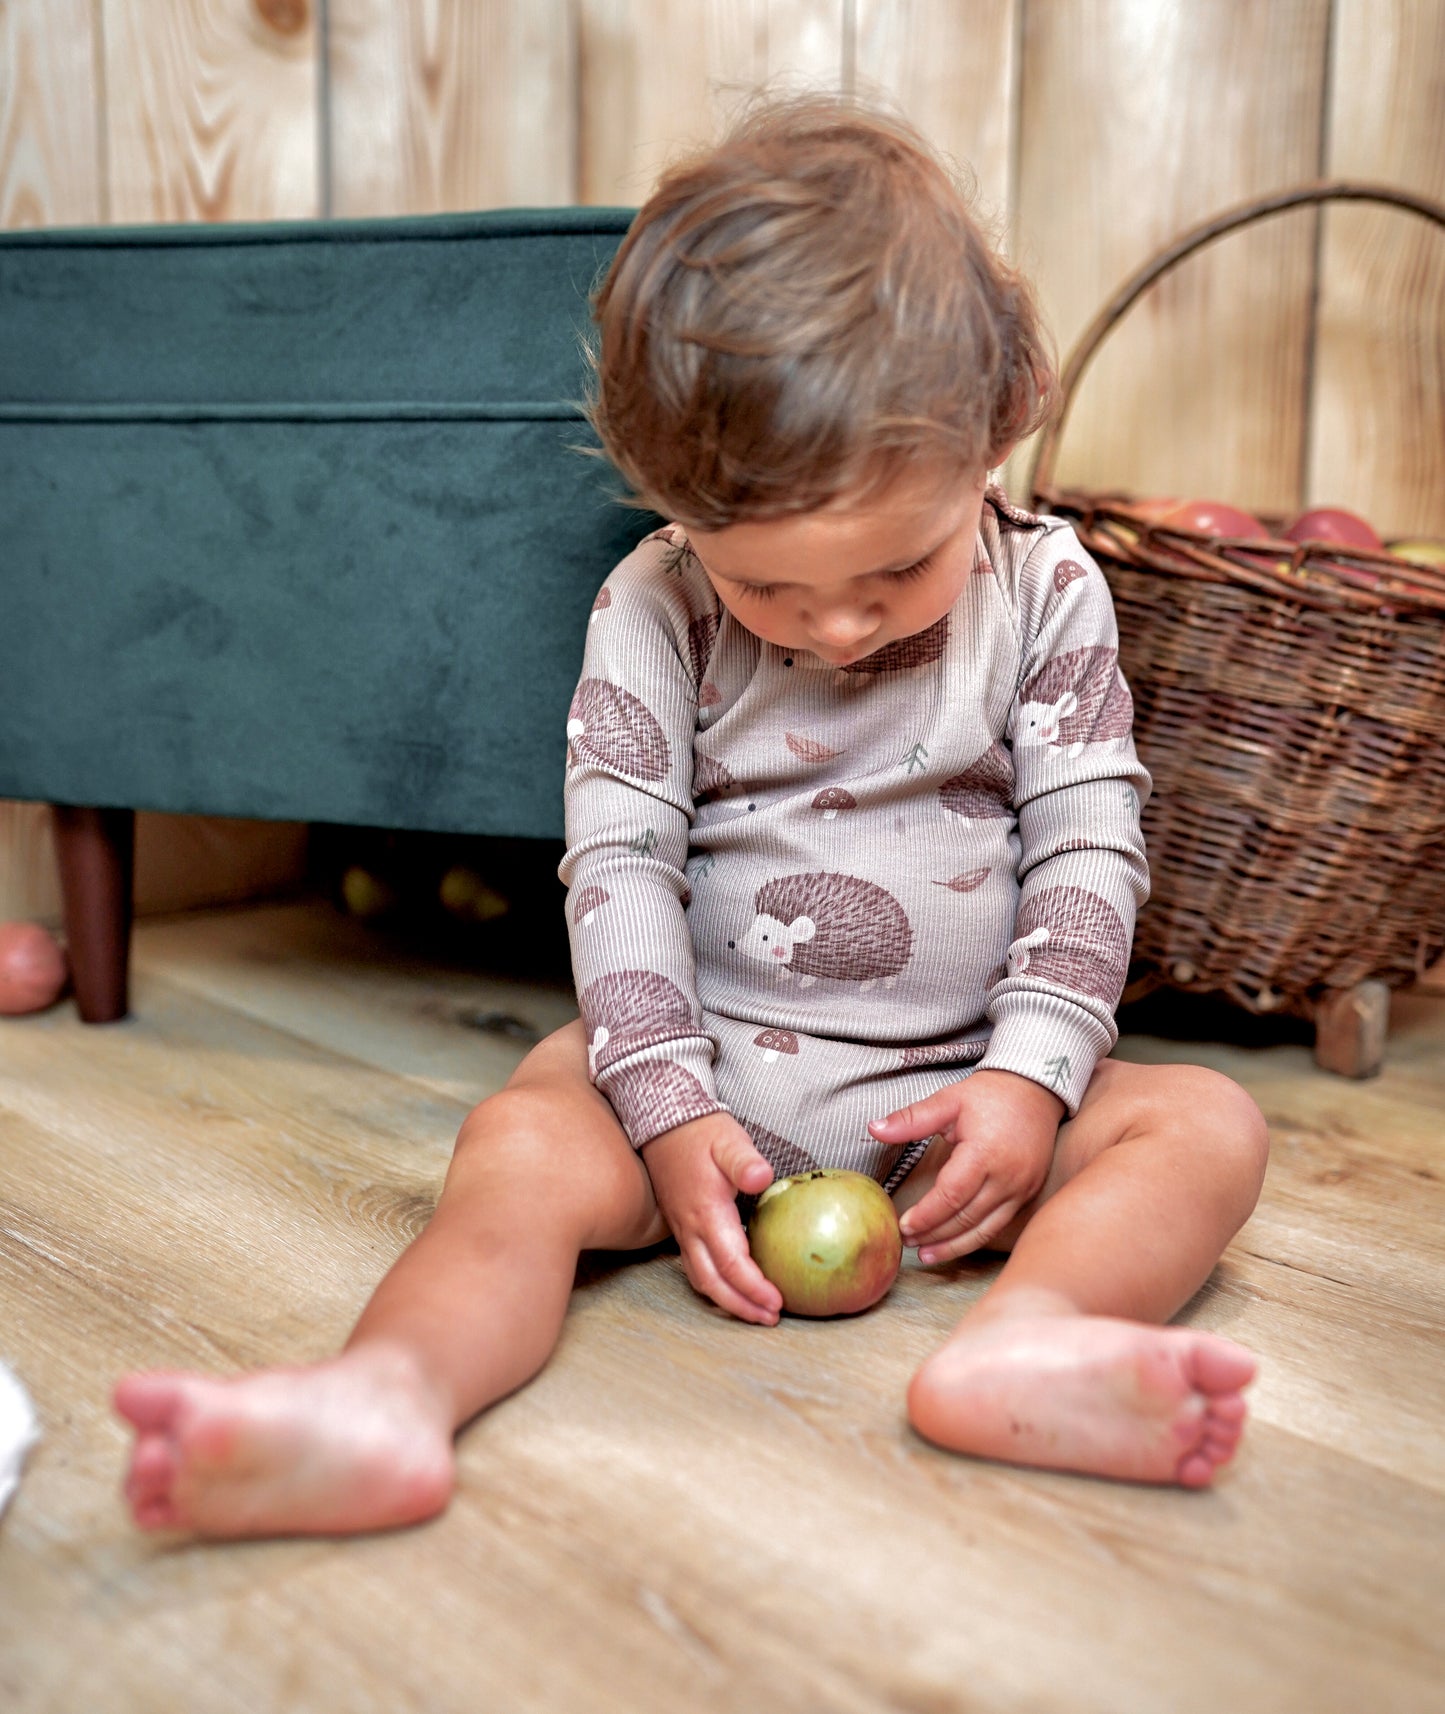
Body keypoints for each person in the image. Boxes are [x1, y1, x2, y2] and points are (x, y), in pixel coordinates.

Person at [115, 95, 1269, 1538]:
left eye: (895, 571)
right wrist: (663, 1101)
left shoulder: (1048, 592)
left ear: (1001, 417)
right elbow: (618, 861)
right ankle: (386, 1393)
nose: (835, 629)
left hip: (957, 1097)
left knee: (1205, 1125)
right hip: (704, 1077)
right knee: (519, 1148)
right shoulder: (652, 604)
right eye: (772, 589)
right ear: (675, 507)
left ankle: (1029, 1335)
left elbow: (1089, 845)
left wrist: (1033, 1082)